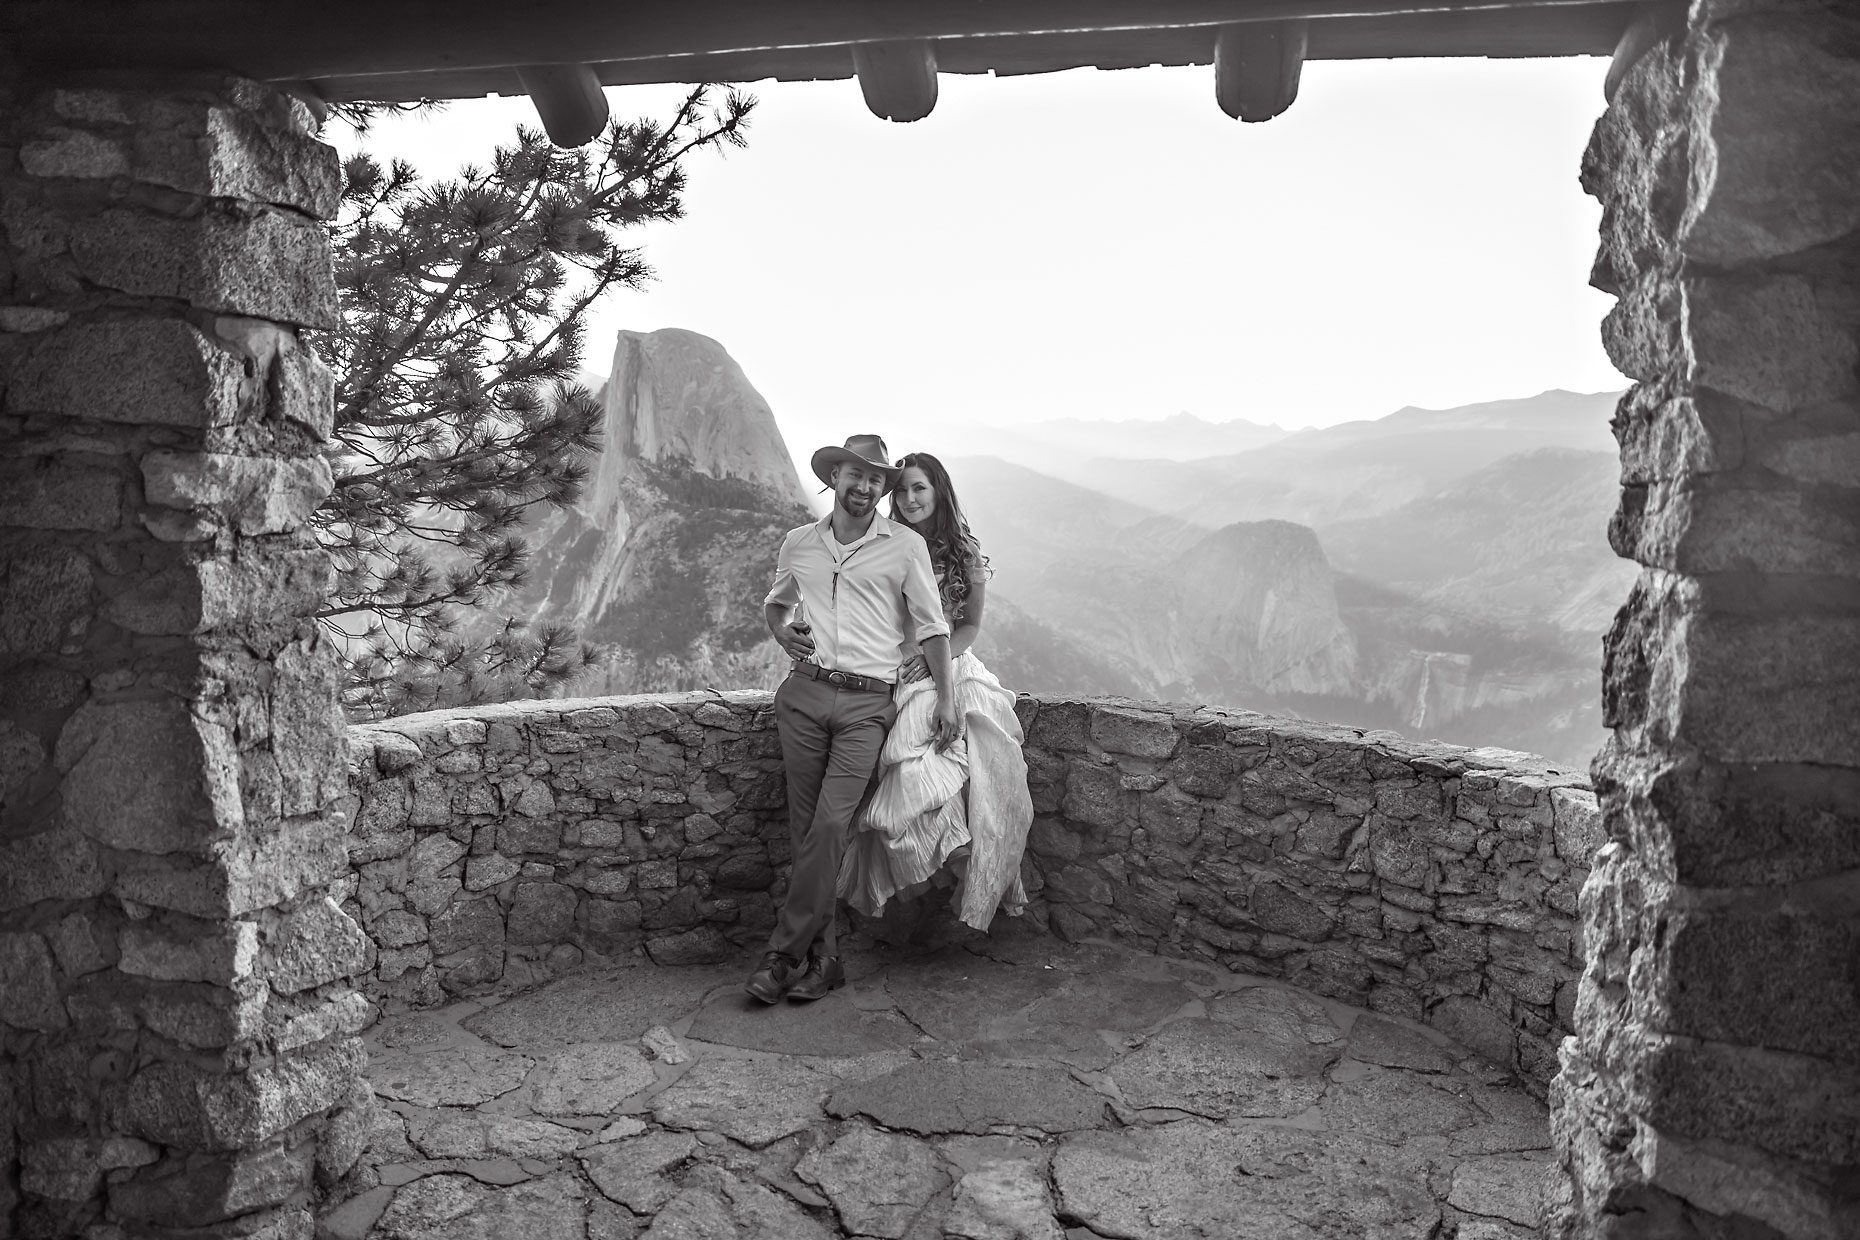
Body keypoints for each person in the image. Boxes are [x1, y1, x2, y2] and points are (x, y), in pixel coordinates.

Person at [747, 434, 961, 1004]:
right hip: (805, 695)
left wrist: (945, 698)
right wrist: (778, 628)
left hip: (869, 704)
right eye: (855, 474)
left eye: (876, 479)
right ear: (834, 477)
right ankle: (827, 959)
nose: (865, 486)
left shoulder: (905, 546)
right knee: (804, 832)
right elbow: (777, 601)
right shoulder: (800, 543)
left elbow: (934, 627)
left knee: (831, 824)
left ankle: (784, 954)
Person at [838, 452, 1035, 933]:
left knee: (978, 771)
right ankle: (931, 885)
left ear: (938, 490)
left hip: (950, 670)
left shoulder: (962, 552)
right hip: (898, 671)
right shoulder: (886, 544)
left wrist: (934, 662)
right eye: (901, 490)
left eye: (918, 488)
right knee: (913, 772)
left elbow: (968, 627)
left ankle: (962, 880)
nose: (908, 499)